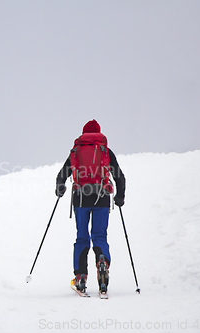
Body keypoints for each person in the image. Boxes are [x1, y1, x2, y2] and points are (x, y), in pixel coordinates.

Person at [55, 119, 125, 295]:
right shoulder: (105, 151)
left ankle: (80, 277)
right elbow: (120, 177)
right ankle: (102, 261)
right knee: (100, 235)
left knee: (82, 237)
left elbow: (61, 175)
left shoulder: (76, 150)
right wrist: (120, 197)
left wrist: (60, 188)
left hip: (80, 199)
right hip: (101, 198)